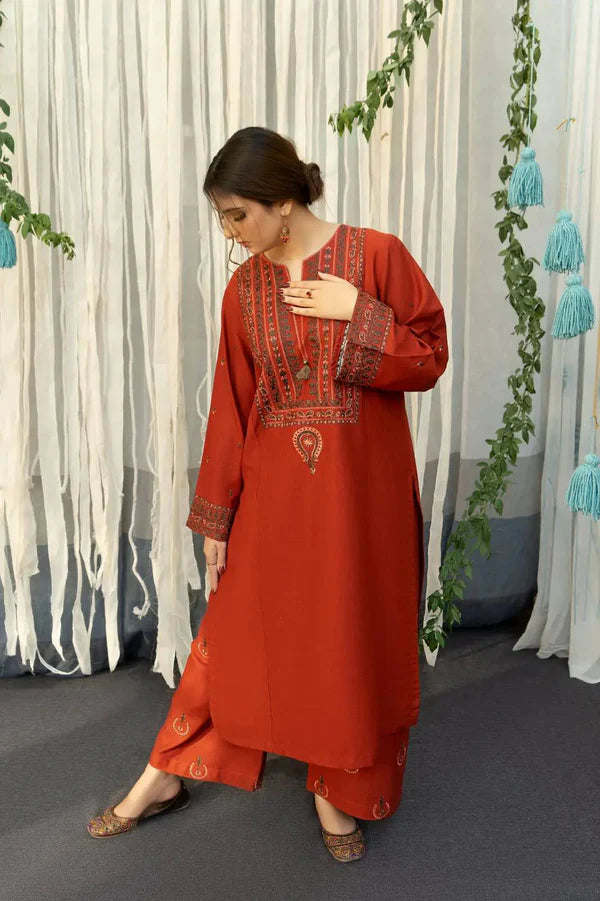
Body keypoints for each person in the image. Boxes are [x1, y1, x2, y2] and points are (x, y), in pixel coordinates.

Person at [87, 126, 449, 863]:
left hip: (358, 503)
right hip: (274, 503)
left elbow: (430, 356)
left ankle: (337, 789)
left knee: (344, 634)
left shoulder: (375, 257)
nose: (230, 233)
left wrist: (360, 310)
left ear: (283, 203)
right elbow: (231, 405)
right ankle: (165, 773)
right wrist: (218, 513)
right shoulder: (243, 289)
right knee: (235, 635)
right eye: (222, 218)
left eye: (236, 216)